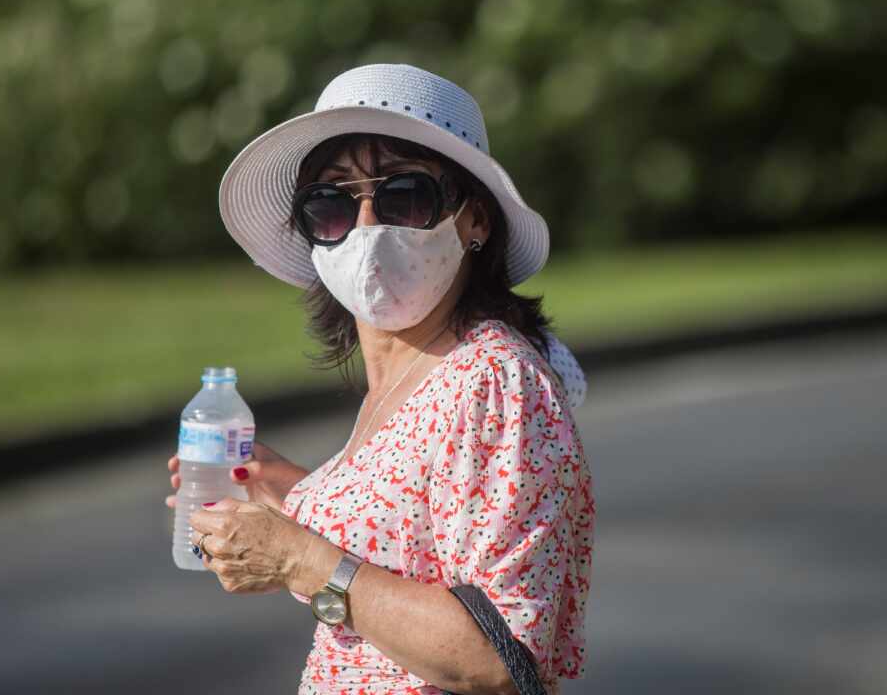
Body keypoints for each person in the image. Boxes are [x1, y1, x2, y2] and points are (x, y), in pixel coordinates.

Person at [162, 62, 595, 695]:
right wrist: (300, 501)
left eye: (404, 196)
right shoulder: (408, 381)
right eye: (332, 204)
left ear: (475, 220)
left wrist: (297, 556)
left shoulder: (493, 381)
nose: (365, 226)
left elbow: (501, 656)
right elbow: (409, 563)